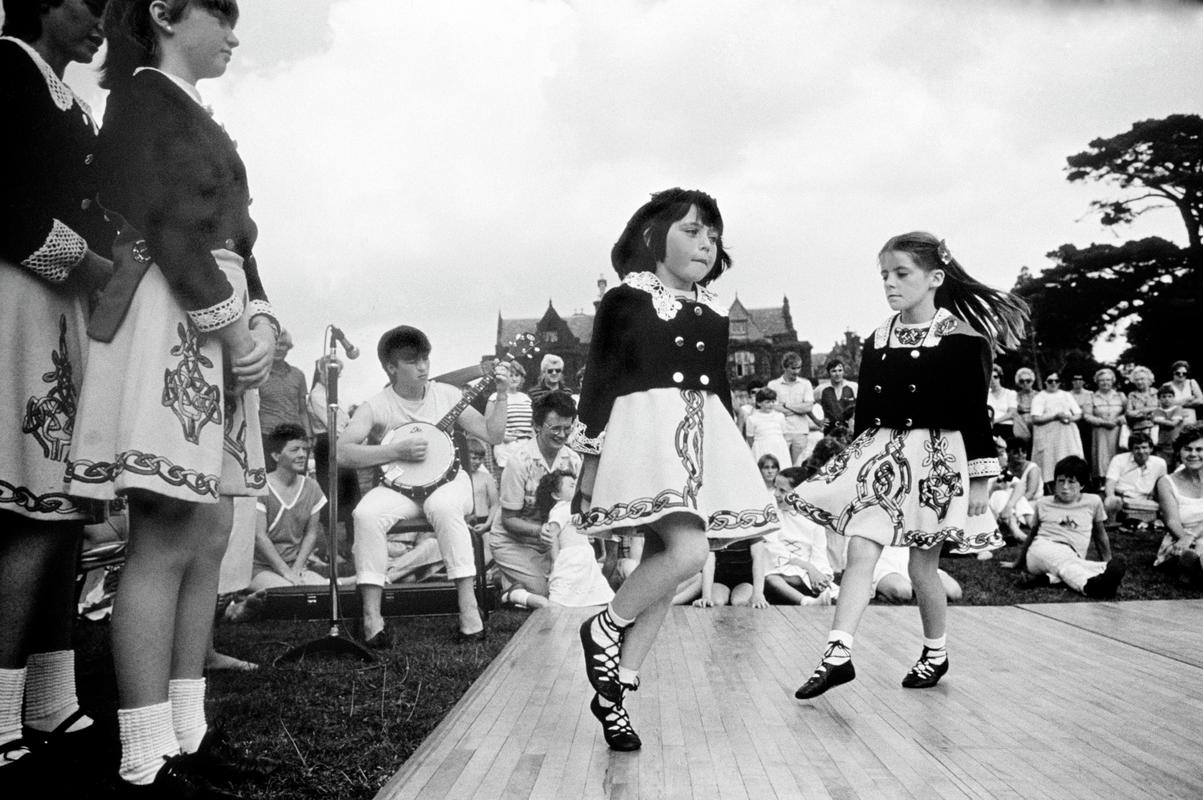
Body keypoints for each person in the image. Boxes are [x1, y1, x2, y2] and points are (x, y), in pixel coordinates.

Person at [63, 2, 278, 796]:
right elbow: (166, 226)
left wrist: (259, 318)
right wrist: (228, 322)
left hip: (212, 310)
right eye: (219, 13)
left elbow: (239, 239)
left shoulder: (190, 111)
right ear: (163, 12)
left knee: (211, 523)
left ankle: (187, 736)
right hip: (169, 309)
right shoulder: (141, 101)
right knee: (163, 527)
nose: (232, 32)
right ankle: (144, 758)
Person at [571, 188, 778, 751]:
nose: (705, 244)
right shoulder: (626, 300)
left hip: (702, 441)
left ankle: (616, 691)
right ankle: (606, 627)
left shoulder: (713, 309)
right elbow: (599, 381)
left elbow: (722, 386)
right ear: (652, 236)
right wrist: (588, 467)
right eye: (691, 231)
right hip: (644, 439)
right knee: (691, 553)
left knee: (666, 562)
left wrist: (729, 455)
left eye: (713, 236)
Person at [785, 232, 1025, 699]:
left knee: (921, 568)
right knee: (861, 550)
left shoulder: (963, 339)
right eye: (884, 276)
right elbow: (866, 416)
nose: (890, 284)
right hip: (883, 460)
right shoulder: (878, 339)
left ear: (935, 278)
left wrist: (982, 478)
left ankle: (935, 652)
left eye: (901, 274)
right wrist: (853, 467)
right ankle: (837, 652)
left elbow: (976, 413)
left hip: (937, 461)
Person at [0, 0, 115, 790]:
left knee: (63, 515)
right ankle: (0, 716)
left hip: (65, 305)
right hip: (21, 299)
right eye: (86, 1)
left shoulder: (70, 96)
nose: (99, 20)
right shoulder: (4, 67)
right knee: (28, 514)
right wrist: (89, 267)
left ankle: (51, 698)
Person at [339, 325, 507, 646]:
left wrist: (502, 394)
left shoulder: (447, 394)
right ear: (391, 367)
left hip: (449, 482)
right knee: (366, 514)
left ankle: (469, 611)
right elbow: (343, 452)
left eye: (425, 359)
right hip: (400, 487)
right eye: (412, 361)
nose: (423, 367)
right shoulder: (377, 405)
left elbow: (493, 434)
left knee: (442, 507)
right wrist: (393, 451)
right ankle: (372, 618)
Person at [489, 392, 581, 606]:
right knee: (546, 593)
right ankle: (509, 586)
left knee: (570, 590)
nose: (562, 434)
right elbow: (509, 520)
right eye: (555, 428)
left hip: (551, 543)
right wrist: (540, 531)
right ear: (537, 426)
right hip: (514, 540)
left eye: (567, 428)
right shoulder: (520, 461)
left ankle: (514, 579)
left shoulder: (573, 460)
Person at [1011, 456, 1125, 598]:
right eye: (1061, 481)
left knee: (1070, 565)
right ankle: (1090, 586)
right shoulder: (1043, 503)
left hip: (1072, 555)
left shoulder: (1093, 502)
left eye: (1071, 482)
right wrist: (1018, 562)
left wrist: (1107, 561)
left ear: (1082, 485)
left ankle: (1047, 579)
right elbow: (1033, 534)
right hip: (1042, 549)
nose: (1065, 487)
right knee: (1065, 565)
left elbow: (1100, 534)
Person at [248, 425, 327, 591]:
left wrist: (297, 569)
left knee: (323, 594)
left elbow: (311, 533)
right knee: (289, 595)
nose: (302, 455)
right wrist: (286, 573)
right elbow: (259, 536)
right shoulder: (261, 486)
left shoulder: (312, 487)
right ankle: (237, 605)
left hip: (294, 566)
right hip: (260, 567)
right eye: (294, 450)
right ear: (276, 456)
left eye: (304, 450)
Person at [307, 354, 359, 565]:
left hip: (343, 445)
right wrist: (349, 432)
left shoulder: (334, 394)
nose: (334, 376)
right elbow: (335, 424)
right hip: (328, 445)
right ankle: (331, 549)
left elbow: (346, 419)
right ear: (321, 372)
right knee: (331, 497)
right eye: (330, 371)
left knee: (351, 496)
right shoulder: (317, 395)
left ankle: (353, 545)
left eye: (337, 372)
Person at [541, 471, 614, 608]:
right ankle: (559, 607)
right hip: (570, 556)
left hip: (585, 554)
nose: (576, 489)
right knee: (565, 588)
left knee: (592, 583)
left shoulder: (577, 507)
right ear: (556, 495)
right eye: (571, 486)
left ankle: (597, 605)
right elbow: (553, 535)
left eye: (576, 485)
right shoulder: (560, 510)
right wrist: (556, 560)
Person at [763, 467, 836, 605]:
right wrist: (809, 568)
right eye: (775, 488)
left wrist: (821, 575)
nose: (776, 494)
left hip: (806, 572)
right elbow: (774, 549)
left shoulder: (814, 518)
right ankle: (806, 601)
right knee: (772, 578)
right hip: (780, 567)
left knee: (824, 581)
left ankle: (821, 592)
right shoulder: (772, 514)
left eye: (782, 491)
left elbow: (819, 554)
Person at [1152, 424, 1203, 582]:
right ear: (1179, 452)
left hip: (1195, 536)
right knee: (1191, 551)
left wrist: (1193, 536)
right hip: (1179, 538)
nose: (1193, 454)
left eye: (1199, 449)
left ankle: (1193, 568)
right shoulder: (1166, 482)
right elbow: (1171, 520)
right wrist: (1187, 540)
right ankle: (1190, 563)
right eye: (1187, 449)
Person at [257, 328, 310, 468]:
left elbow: (303, 410)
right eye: (275, 344)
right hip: (268, 436)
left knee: (297, 480)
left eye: (283, 344)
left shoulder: (298, 375)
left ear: (288, 348)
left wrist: (309, 435)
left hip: (295, 436)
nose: (278, 348)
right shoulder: (259, 373)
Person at [1030, 371, 1084, 485]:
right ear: (1045, 382)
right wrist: (1054, 417)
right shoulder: (1040, 397)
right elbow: (1035, 418)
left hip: (1067, 435)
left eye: (1056, 381)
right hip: (1048, 435)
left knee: (1069, 458)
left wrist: (1070, 419)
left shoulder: (1066, 395)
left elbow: (1078, 414)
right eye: (1050, 381)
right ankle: (1049, 487)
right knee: (1049, 462)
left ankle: (1073, 483)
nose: (1053, 383)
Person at [1102, 432, 1166, 527]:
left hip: (1144, 500)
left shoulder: (1160, 463)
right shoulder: (1119, 459)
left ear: (1151, 449)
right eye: (1137, 448)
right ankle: (1112, 521)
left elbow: (1162, 485)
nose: (1141, 451)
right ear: (1131, 450)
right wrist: (1111, 497)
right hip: (1121, 498)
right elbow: (1110, 483)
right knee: (1112, 501)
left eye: (1144, 447)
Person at [988, 437, 1042, 544]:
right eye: (1001, 454)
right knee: (1001, 493)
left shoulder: (1003, 472)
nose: (1005, 457)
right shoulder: (988, 474)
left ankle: (1034, 527)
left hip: (1012, 509)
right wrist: (993, 489)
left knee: (1013, 494)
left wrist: (1009, 506)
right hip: (989, 512)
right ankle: (1016, 531)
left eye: (1004, 453)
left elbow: (1020, 486)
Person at [767, 352, 815, 465]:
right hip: (780, 432)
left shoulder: (805, 384)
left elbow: (808, 407)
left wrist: (786, 405)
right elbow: (772, 407)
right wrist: (799, 407)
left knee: (799, 466)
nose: (796, 371)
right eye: (793, 368)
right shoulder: (773, 385)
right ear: (785, 367)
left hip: (800, 432)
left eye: (799, 368)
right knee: (781, 464)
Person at [485, 359, 533, 472]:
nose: (514, 378)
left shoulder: (526, 398)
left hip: (526, 447)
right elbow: (487, 424)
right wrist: (501, 436)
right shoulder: (495, 397)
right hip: (506, 447)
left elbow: (532, 424)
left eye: (517, 375)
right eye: (510, 375)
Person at [871, 546, 962, 603]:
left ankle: (915, 587)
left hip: (910, 555)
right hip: (879, 556)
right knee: (902, 592)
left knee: (954, 592)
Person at [1084, 367, 1126, 482]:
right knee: (1101, 457)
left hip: (1117, 432)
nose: (1105, 382)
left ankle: (1119, 481)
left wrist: (1118, 420)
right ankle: (1101, 482)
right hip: (1100, 432)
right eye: (1102, 380)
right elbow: (1087, 416)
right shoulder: (1091, 397)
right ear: (1097, 381)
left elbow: (1127, 413)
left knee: (1117, 456)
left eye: (1108, 380)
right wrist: (1103, 422)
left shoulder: (1120, 396)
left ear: (1113, 381)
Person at [745, 388, 792, 469]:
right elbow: (750, 438)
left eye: (773, 401)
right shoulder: (752, 418)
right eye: (767, 402)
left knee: (781, 467)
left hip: (778, 447)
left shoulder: (780, 416)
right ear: (759, 403)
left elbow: (785, 434)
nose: (771, 404)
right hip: (761, 448)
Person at [818, 358, 857, 438]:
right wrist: (818, 421)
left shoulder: (853, 386)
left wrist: (853, 419)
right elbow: (808, 403)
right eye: (834, 371)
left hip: (849, 430)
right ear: (829, 373)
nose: (837, 374)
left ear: (843, 371)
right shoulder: (821, 389)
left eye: (840, 370)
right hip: (830, 431)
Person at [1151, 383, 1186, 466]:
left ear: (1173, 397)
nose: (1167, 399)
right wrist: (1160, 420)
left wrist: (1158, 420)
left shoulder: (1177, 408)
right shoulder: (1158, 410)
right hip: (1162, 444)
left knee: (1178, 466)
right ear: (1159, 399)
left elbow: (1173, 423)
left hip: (1176, 442)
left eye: (1170, 396)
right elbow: (1159, 420)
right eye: (1164, 396)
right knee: (1163, 465)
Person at [1125, 365, 1158, 441]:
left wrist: (1139, 412)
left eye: (1142, 379)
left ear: (1149, 380)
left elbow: (1160, 410)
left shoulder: (1156, 393)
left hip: (1155, 429)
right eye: (1136, 380)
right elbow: (1129, 413)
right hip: (1137, 430)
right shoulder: (1132, 395)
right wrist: (1148, 411)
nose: (1139, 382)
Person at [1068, 372, 1094, 470]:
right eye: (1075, 380)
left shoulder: (1090, 393)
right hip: (1073, 424)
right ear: (1072, 382)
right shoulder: (1068, 394)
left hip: (1087, 425)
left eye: (1080, 380)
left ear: (1083, 382)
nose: (1078, 382)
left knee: (1088, 450)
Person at [986, 365, 1017, 439]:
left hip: (1006, 428)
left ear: (1000, 377)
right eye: (990, 378)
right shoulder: (985, 394)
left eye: (995, 377)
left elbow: (1012, 414)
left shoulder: (1010, 393)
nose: (993, 380)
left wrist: (995, 421)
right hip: (989, 429)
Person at [1167, 360, 1202, 425]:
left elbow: (1200, 401)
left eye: (1184, 373)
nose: (1181, 375)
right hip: (1173, 423)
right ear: (1173, 372)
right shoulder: (1167, 386)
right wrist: (1188, 399)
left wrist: (1178, 403)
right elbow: (1166, 404)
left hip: (1190, 422)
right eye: (1178, 373)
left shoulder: (1191, 383)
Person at [1012, 366, 1037, 446]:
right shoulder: (1016, 396)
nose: (1025, 383)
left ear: (1032, 381)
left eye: (1028, 381)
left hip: (1035, 422)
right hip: (1022, 425)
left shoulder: (1038, 395)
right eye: (1022, 381)